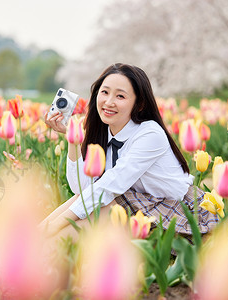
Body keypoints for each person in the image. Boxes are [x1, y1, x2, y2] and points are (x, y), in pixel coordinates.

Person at [41, 63, 218, 242]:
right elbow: (83, 188)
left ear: (139, 104)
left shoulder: (150, 134)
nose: (109, 102)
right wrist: (73, 139)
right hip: (134, 204)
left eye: (120, 96)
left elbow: (110, 186)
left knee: (105, 206)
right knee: (98, 203)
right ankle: (38, 237)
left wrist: (57, 224)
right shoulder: (105, 132)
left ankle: (43, 245)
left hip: (173, 213)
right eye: (105, 92)